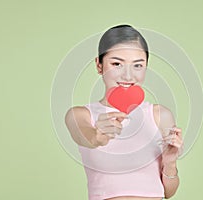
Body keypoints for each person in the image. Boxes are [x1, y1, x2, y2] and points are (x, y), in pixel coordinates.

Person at [65, 24, 184, 200]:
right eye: (117, 64)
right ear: (99, 65)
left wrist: (170, 163)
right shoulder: (81, 115)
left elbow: (168, 193)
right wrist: (99, 136)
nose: (128, 76)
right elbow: (85, 136)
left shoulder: (160, 115)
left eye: (137, 65)